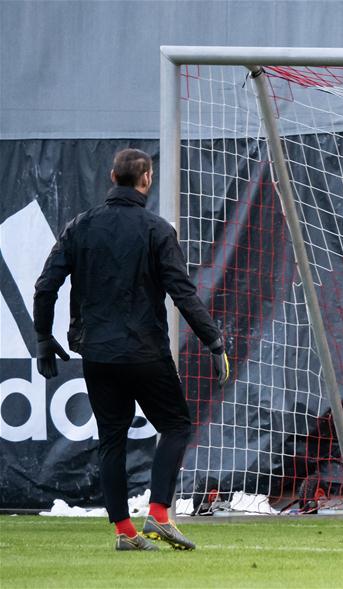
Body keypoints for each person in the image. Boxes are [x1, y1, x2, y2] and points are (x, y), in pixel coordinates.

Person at [33, 148, 230, 551]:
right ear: (147, 179)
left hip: (98, 354)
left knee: (112, 439)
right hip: (144, 352)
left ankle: (125, 532)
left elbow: (45, 286)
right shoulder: (157, 230)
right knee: (176, 425)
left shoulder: (80, 226)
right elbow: (182, 293)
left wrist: (43, 337)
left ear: (112, 176)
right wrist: (213, 339)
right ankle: (158, 514)